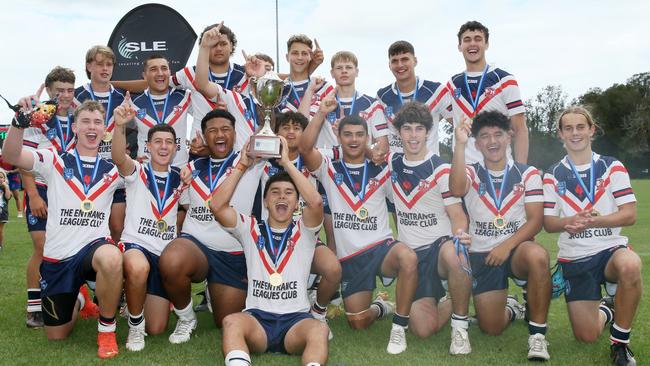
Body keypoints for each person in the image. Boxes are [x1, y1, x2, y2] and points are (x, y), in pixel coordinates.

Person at [3, 100, 124, 359]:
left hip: (93, 250)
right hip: (58, 258)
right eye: (86, 122)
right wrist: (18, 123)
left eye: (97, 122)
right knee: (56, 336)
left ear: (104, 129)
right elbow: (11, 156)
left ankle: (107, 330)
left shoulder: (115, 171)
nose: (92, 128)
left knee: (112, 256)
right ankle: (81, 299)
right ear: (75, 128)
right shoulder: (53, 159)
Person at [299, 96, 418, 355]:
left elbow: (401, 204)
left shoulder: (382, 168)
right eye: (348, 135)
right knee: (358, 322)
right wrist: (320, 114)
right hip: (350, 258)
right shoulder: (329, 167)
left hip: (381, 247)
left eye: (359, 135)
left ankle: (399, 328)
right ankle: (380, 307)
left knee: (407, 257)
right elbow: (305, 149)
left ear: (367, 138)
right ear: (339, 138)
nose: (354, 140)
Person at [212, 135, 328, 366]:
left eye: (289, 192)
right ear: (265, 202)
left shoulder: (305, 231)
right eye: (275, 192)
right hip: (258, 319)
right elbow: (217, 206)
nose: (282, 196)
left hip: (295, 320)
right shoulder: (250, 228)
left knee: (318, 329)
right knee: (232, 321)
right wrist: (242, 165)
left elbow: (315, 203)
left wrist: (286, 163)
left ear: (296, 203)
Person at [449, 111, 551, 361]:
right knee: (491, 328)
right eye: (484, 136)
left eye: (498, 134)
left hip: (516, 250)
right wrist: (459, 146)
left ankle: (537, 336)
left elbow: (536, 220)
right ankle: (513, 307)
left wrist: (506, 246)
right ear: (477, 143)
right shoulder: (471, 171)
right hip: (482, 254)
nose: (492, 141)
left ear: (509, 137)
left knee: (538, 256)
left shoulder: (528, 174)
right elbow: (456, 188)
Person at [543, 106, 641, 366]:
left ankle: (620, 344)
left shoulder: (612, 167)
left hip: (610, 250)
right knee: (586, 336)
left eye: (580, 127)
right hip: (575, 258)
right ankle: (607, 308)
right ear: (560, 134)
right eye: (568, 128)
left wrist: (595, 221)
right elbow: (549, 223)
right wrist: (569, 222)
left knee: (630, 264)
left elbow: (629, 214)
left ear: (591, 130)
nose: (575, 133)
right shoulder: (552, 174)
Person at [159, 109, 263, 343]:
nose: (219, 134)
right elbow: (183, 203)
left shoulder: (250, 161)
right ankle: (186, 318)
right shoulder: (192, 167)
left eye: (226, 129)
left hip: (232, 251)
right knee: (172, 260)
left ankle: (212, 288)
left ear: (235, 134)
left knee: (224, 321)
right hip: (196, 243)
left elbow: (274, 139)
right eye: (212, 130)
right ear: (204, 136)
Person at [388, 102, 473, 354]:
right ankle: (456, 295)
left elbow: (457, 215)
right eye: (407, 129)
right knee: (424, 329)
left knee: (456, 254)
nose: (413, 135)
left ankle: (460, 329)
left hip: (439, 250)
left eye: (418, 129)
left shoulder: (441, 168)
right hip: (413, 259)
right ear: (399, 133)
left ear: (428, 132)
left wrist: (460, 236)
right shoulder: (391, 165)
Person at [17, 67, 97, 329]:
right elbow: (23, 161)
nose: (64, 95)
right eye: (58, 90)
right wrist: (32, 195)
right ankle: (34, 307)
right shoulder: (39, 115)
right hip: (41, 190)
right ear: (48, 89)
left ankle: (79, 296)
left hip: (69, 192)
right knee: (42, 248)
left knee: (72, 246)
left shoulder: (79, 114)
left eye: (69, 90)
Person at [255, 111, 342, 339]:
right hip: (271, 237)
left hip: (305, 235)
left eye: (297, 128)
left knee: (333, 268)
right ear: (277, 133)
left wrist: (331, 241)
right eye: (285, 127)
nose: (291, 132)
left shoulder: (313, 161)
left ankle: (318, 312)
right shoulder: (263, 161)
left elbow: (323, 204)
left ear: (306, 134)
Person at [111, 99, 185, 351]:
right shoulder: (138, 171)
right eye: (158, 142)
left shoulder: (181, 177)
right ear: (148, 146)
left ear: (176, 148)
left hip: (164, 256)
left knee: (158, 328)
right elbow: (119, 157)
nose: (163, 147)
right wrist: (119, 127)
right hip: (136, 245)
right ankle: (134, 326)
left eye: (168, 143)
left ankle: (137, 306)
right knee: (138, 267)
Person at [446, 20, 528, 164]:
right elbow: (449, 119)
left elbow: (520, 130)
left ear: (487, 44)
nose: (472, 44)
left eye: (478, 39)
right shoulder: (452, 84)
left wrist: (521, 171)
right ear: (460, 46)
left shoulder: (504, 80)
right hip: (464, 172)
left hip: (501, 170)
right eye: (467, 40)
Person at [73, 45, 127, 242]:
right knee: (84, 227)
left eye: (109, 64)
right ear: (89, 66)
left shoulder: (123, 97)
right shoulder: (76, 95)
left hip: (114, 171)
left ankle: (114, 270)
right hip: (84, 172)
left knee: (117, 227)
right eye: (100, 64)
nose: (105, 69)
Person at [376, 41, 449, 156]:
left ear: (415, 61)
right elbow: (376, 134)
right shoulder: (382, 96)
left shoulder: (436, 91)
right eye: (394, 61)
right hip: (395, 169)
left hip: (429, 169)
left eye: (405, 59)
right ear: (389, 65)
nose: (400, 65)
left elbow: (458, 123)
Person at [128, 55, 192, 168]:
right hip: (146, 171)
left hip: (180, 170)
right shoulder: (133, 103)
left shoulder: (185, 97)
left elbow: (206, 119)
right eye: (153, 69)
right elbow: (117, 130)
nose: (160, 73)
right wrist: (125, 154)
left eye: (164, 68)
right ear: (144, 76)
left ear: (169, 72)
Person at [0, 168, 11, 251]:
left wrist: (6, 187)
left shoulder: (5, 188)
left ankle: (0, 245)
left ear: (4, 179)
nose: (0, 179)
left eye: (1, 177)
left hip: (2, 212)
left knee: (0, 229)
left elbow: (8, 197)